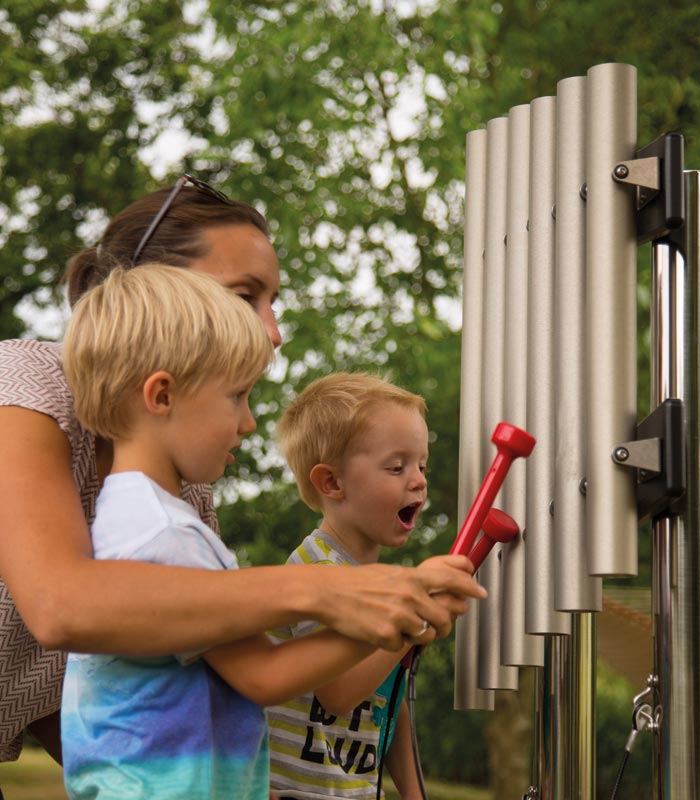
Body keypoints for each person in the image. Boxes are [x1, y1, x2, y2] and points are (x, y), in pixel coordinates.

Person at [0, 175, 486, 767]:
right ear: (149, 290)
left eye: (272, 303)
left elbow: (123, 681)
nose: (274, 332)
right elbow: (62, 606)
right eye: (245, 296)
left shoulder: (185, 491)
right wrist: (334, 590)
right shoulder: (28, 386)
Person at [60, 265, 424, 798]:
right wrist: (401, 616)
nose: (249, 422)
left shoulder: (131, 518)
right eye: (237, 397)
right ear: (161, 396)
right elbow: (265, 674)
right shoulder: (166, 538)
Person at [268, 373, 433, 800]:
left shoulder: (380, 588)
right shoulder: (317, 572)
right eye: (397, 467)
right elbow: (338, 691)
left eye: (422, 464)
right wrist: (411, 624)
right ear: (332, 483)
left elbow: (387, 704)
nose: (418, 480)